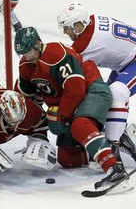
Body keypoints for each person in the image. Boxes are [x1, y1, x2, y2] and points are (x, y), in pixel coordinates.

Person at [14, 26, 130, 189]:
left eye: (29, 52)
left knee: (80, 125)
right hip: (68, 101)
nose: (27, 57)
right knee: (67, 159)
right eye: (23, 54)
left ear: (38, 44)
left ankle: (114, 169)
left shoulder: (56, 54)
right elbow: (25, 98)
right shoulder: (25, 66)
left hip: (92, 89)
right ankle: (105, 142)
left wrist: (61, 114)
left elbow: (76, 89)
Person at [56, 3, 136, 162]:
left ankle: (112, 145)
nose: (65, 32)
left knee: (116, 93)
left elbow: (72, 71)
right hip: (132, 57)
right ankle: (120, 136)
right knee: (106, 96)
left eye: (67, 27)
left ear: (78, 26)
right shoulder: (91, 21)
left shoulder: (85, 44)